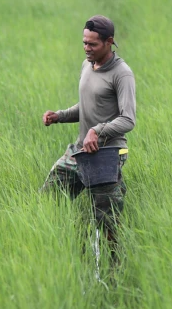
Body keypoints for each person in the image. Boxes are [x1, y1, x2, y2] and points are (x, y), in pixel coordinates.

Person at [40, 15, 136, 251]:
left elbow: (128, 119)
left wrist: (98, 130)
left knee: (107, 223)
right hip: (80, 150)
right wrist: (60, 115)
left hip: (107, 155)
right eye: (84, 42)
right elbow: (88, 106)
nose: (86, 48)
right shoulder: (87, 65)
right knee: (48, 200)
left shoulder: (122, 74)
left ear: (109, 42)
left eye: (92, 44)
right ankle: (56, 249)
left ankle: (113, 273)